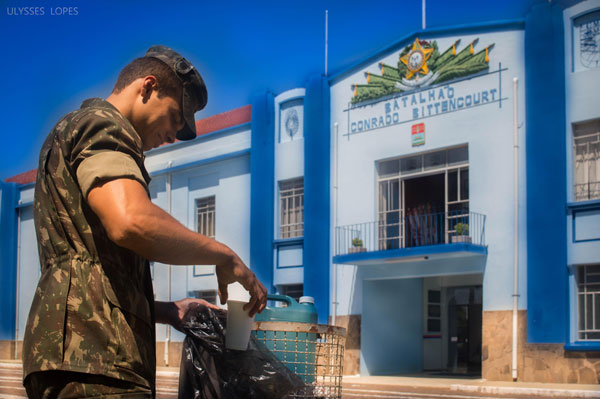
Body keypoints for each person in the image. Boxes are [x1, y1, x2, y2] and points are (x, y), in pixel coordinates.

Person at [22, 45, 267, 399]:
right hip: (95, 360)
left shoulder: (77, 131)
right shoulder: (103, 125)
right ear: (147, 87)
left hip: (77, 355)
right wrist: (224, 255)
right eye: (174, 118)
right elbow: (130, 222)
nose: (172, 135)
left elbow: (97, 274)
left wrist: (171, 311)